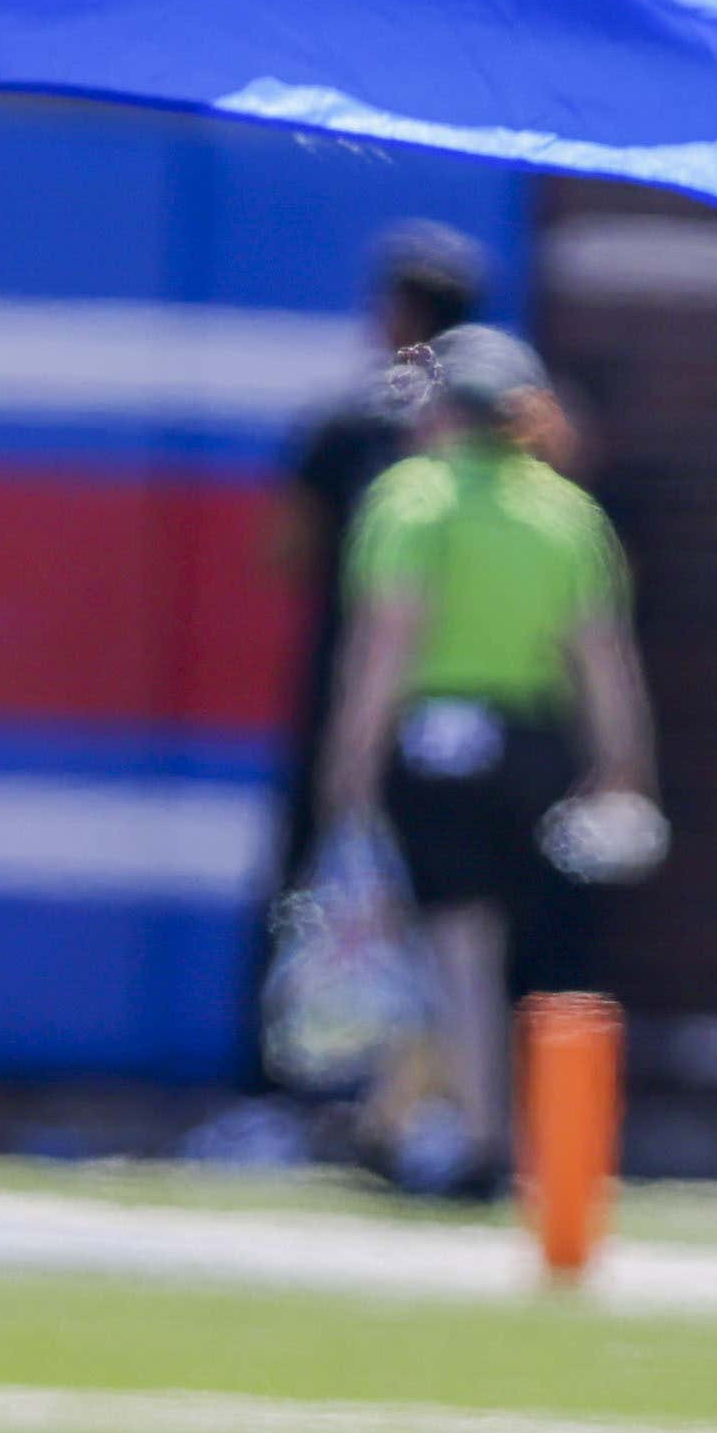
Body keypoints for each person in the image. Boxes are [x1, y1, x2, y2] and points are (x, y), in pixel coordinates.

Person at [313, 316, 657, 1195]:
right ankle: (391, 1119)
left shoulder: (411, 498)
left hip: (436, 744)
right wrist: (623, 765)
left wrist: (346, 766)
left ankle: (482, 1140)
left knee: (455, 941)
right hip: (537, 746)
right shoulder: (566, 510)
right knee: (485, 945)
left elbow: (384, 643)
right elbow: (603, 657)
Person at [247, 223, 489, 1004]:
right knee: (456, 901)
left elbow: (285, 550)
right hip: (469, 694)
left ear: (394, 313)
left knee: (310, 879)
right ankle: (436, 1100)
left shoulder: (347, 422)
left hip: (349, 676)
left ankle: (283, 1092)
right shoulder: (510, 428)